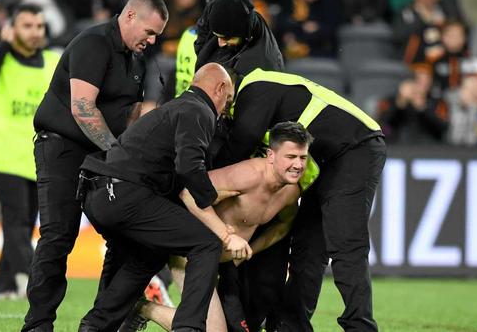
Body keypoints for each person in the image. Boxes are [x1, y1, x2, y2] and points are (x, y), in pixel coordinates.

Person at [21, 0, 168, 332]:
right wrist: (119, 155)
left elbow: (128, 114)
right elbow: (83, 108)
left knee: (126, 236)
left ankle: (104, 323)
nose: (151, 40)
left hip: (101, 154)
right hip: (63, 149)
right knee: (58, 236)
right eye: (148, 31)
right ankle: (38, 325)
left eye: (156, 35)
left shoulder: (136, 59)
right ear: (129, 15)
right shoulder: (94, 43)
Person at [77, 63, 249, 332]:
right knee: (206, 244)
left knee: (146, 254)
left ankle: (96, 325)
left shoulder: (176, 107)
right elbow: (190, 168)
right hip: (126, 193)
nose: (225, 108)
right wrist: (212, 203)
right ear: (220, 88)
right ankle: (188, 327)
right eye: (227, 100)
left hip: (97, 191)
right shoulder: (199, 110)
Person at [215, 68, 386, 332]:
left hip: (358, 147)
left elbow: (241, 143)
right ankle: (290, 327)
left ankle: (360, 328)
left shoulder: (255, 87)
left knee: (346, 244)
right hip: (327, 158)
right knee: (307, 247)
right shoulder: (264, 90)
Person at [128, 121, 312, 332]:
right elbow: (188, 194)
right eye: (290, 157)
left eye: (302, 158)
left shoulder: (291, 192)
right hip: (191, 256)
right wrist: (226, 236)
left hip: (224, 265)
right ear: (270, 155)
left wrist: (250, 251)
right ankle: (139, 306)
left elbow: (283, 226)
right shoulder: (247, 175)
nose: (298, 165)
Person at [0, 4, 60, 300]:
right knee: (17, 218)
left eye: (39, 26)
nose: (35, 32)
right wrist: (4, 44)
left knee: (26, 221)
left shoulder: (52, 61)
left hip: (36, 154)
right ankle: (33, 281)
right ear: (12, 28)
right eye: (27, 26)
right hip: (3, 150)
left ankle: (4, 286)